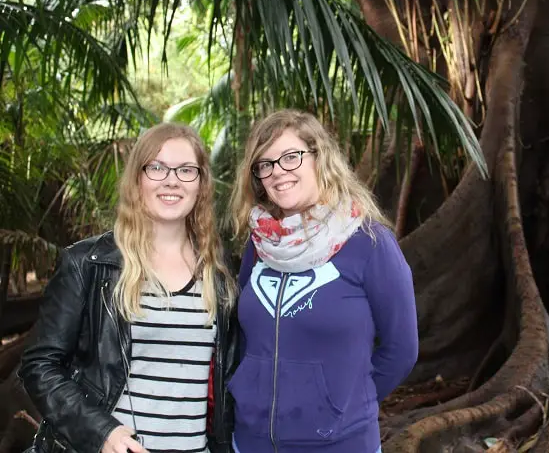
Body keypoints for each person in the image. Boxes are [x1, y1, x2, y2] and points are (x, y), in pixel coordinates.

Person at [19, 123, 238, 453]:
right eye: (157, 167)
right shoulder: (89, 263)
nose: (172, 180)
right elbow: (39, 366)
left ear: (201, 185)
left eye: (186, 170)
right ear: (138, 180)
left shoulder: (222, 271)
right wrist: (101, 431)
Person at [228, 109, 419, 453]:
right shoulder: (258, 247)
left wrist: (343, 407)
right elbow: (244, 338)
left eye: (290, 157)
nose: (278, 172)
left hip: (340, 444)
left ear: (319, 158)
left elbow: (402, 349)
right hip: (250, 442)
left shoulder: (369, 243)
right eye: (265, 164)